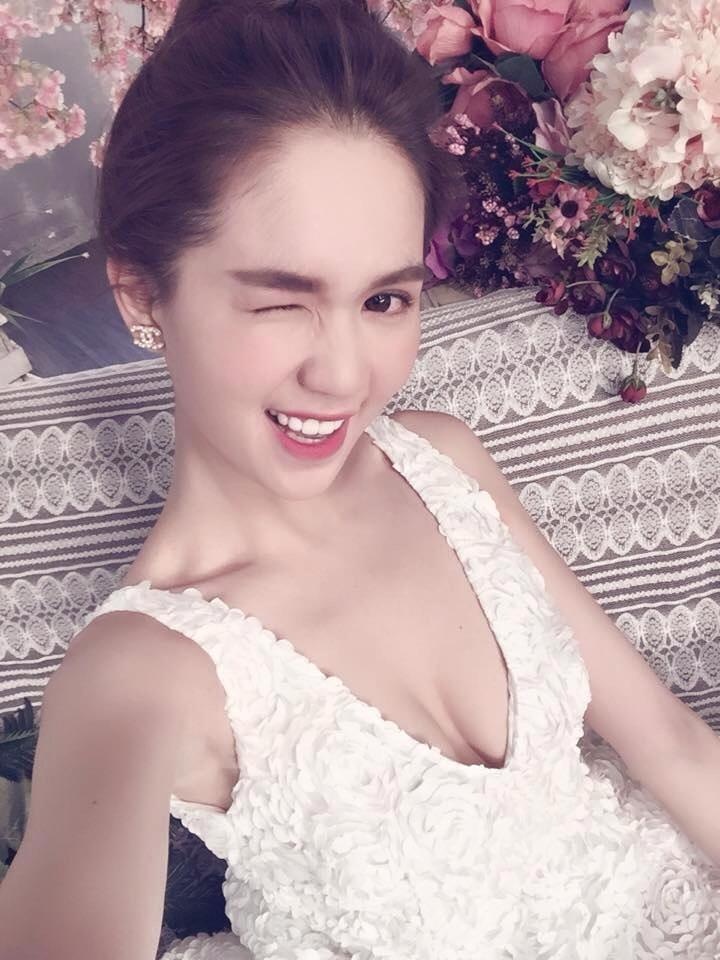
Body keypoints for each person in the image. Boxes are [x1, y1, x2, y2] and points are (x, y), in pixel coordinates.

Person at [1, 1, 719, 958]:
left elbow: (668, 744)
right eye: (281, 303)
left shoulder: (441, 459)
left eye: (384, 299)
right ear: (142, 293)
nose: (344, 377)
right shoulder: (139, 673)